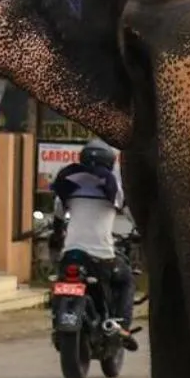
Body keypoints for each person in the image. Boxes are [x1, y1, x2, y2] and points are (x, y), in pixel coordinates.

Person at [50, 142, 135, 331]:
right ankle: (122, 327)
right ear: (110, 163)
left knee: (60, 277)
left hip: (71, 253)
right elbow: (131, 213)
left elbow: (58, 214)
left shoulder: (69, 184)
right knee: (126, 279)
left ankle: (57, 316)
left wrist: (57, 235)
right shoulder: (113, 188)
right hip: (101, 257)